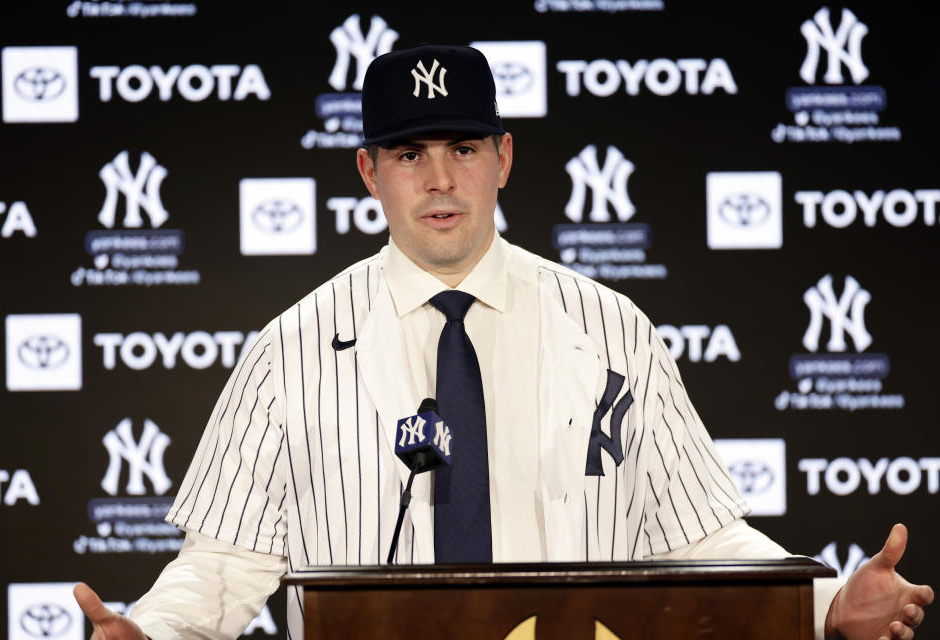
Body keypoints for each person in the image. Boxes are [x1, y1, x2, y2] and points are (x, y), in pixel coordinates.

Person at [74, 44, 933, 640]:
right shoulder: (288, 352)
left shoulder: (608, 328)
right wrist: (145, 628)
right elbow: (224, 563)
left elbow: (702, 538)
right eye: (409, 154)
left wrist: (824, 600)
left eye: (463, 147)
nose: (440, 179)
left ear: (504, 157)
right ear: (369, 173)